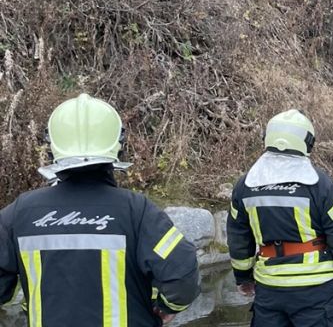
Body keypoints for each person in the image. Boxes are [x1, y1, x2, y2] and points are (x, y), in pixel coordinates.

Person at [0, 94, 200, 326]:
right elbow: (182, 272)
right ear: (117, 146)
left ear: (53, 147)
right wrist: (167, 308)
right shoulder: (136, 210)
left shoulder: (19, 213)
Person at [227, 109, 333, 327]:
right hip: (315, 289)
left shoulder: (246, 185)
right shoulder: (320, 185)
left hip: (269, 288)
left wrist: (243, 278)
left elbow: (238, 238)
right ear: (307, 142)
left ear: (267, 138)